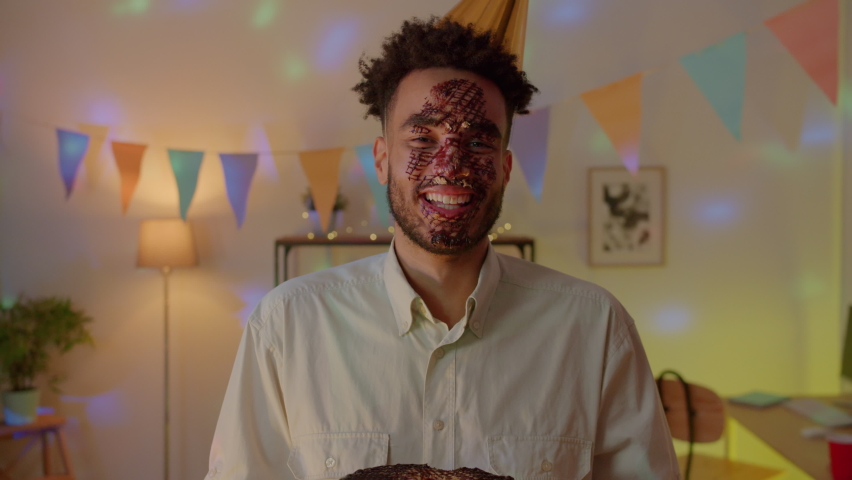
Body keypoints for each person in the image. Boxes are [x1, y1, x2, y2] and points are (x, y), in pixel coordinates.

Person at [206, 17, 679, 480]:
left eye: (478, 142)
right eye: (422, 138)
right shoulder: (287, 326)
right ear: (382, 160)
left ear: (505, 168)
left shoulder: (596, 328)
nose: (451, 166)